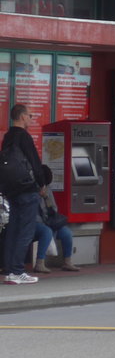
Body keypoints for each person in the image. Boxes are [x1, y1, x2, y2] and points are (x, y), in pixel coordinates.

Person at [2, 104, 48, 284]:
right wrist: (42, 183)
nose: (31, 118)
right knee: (26, 231)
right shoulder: (24, 137)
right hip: (27, 189)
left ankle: (9, 271)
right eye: (30, 115)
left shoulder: (8, 137)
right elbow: (34, 162)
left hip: (11, 189)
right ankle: (18, 271)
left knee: (13, 229)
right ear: (21, 117)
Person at [32, 165, 78, 273]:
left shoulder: (47, 189)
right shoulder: (31, 190)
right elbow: (32, 213)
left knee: (67, 233)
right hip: (35, 223)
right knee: (46, 231)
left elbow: (53, 208)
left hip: (49, 220)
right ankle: (40, 263)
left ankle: (67, 261)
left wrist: (45, 197)